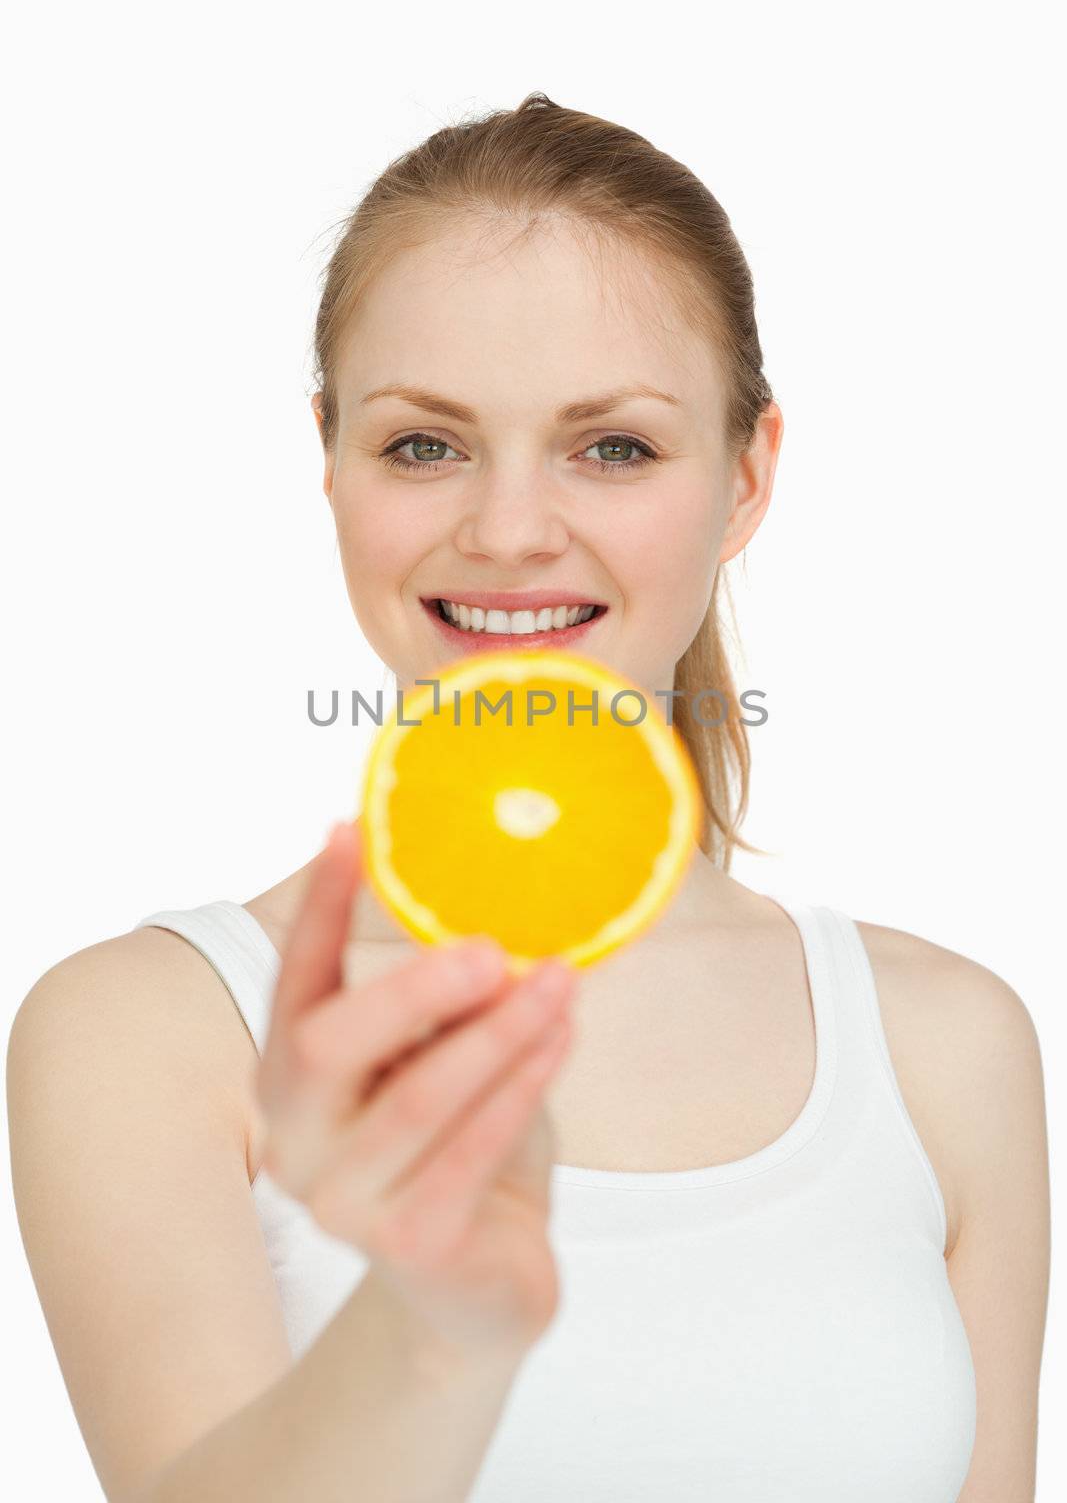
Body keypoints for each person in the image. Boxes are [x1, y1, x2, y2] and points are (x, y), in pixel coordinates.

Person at [7, 92, 1049, 1503]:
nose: (506, 531)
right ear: (330, 460)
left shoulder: (948, 1047)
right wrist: (434, 1333)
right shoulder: (152, 1033)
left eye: (613, 445)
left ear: (745, 477)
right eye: (422, 444)